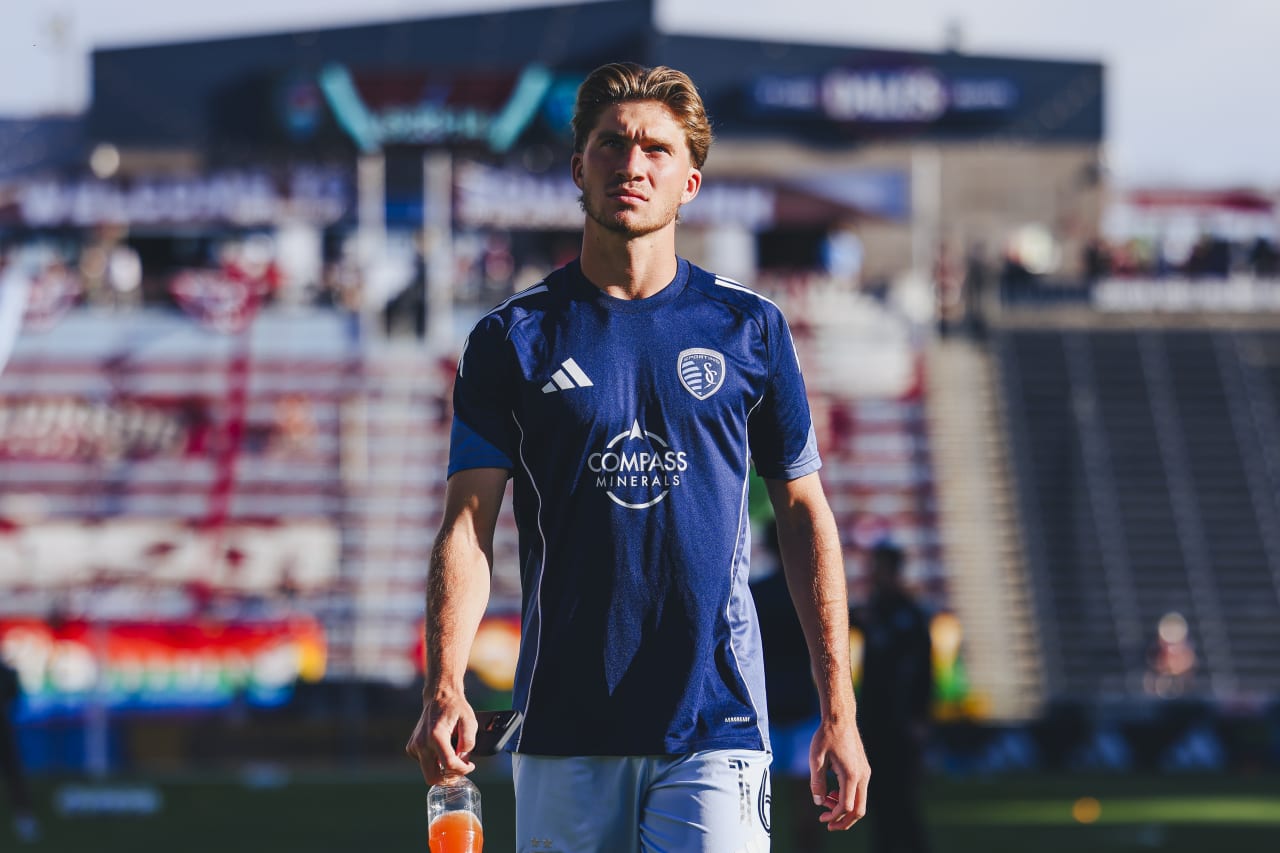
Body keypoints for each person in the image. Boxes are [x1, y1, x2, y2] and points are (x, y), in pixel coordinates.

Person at [406, 61, 869, 852]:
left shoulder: (750, 330)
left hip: (716, 717)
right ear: (577, 166)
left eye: (656, 148)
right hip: (562, 722)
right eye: (613, 144)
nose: (633, 163)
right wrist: (444, 681)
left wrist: (839, 710)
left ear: (690, 181)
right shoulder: (510, 340)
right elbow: (468, 525)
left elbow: (803, 516)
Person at [850, 541, 933, 853]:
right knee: (879, 798)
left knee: (903, 798)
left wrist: (919, 716)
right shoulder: (875, 609)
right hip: (874, 717)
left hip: (902, 721)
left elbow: (923, 670)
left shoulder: (909, 613)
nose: (874, 574)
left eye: (879, 567)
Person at [749, 522, 824, 853]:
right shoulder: (808, 592)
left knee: (758, 802)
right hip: (802, 701)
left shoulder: (758, 593)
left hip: (765, 705)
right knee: (805, 798)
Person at [0, 659, 38, 843]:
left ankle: (25, 820)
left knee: (14, 776)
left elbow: (15, 699)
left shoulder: (8, 673)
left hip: (4, 733)